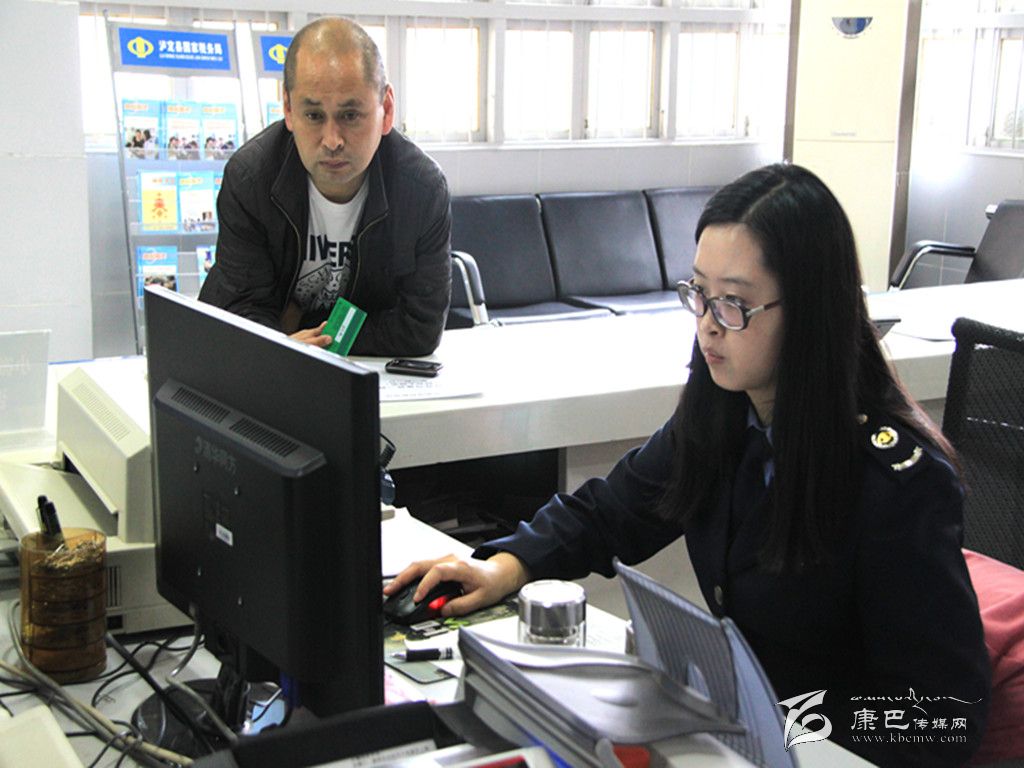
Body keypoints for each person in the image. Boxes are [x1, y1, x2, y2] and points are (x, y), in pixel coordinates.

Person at [385, 163, 992, 766]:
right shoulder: (725, 414)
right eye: (699, 293)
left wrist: (782, 719)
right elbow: (609, 512)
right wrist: (503, 565)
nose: (707, 325)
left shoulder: (896, 482)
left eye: (734, 304)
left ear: (810, 310)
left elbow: (943, 719)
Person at [199, 17, 451, 356]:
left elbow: (420, 327)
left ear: (387, 110)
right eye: (314, 116)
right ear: (288, 109)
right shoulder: (250, 179)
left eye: (350, 115)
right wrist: (286, 343)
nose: (332, 141)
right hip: (274, 369)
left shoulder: (422, 191)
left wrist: (306, 332)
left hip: (363, 372)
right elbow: (239, 315)